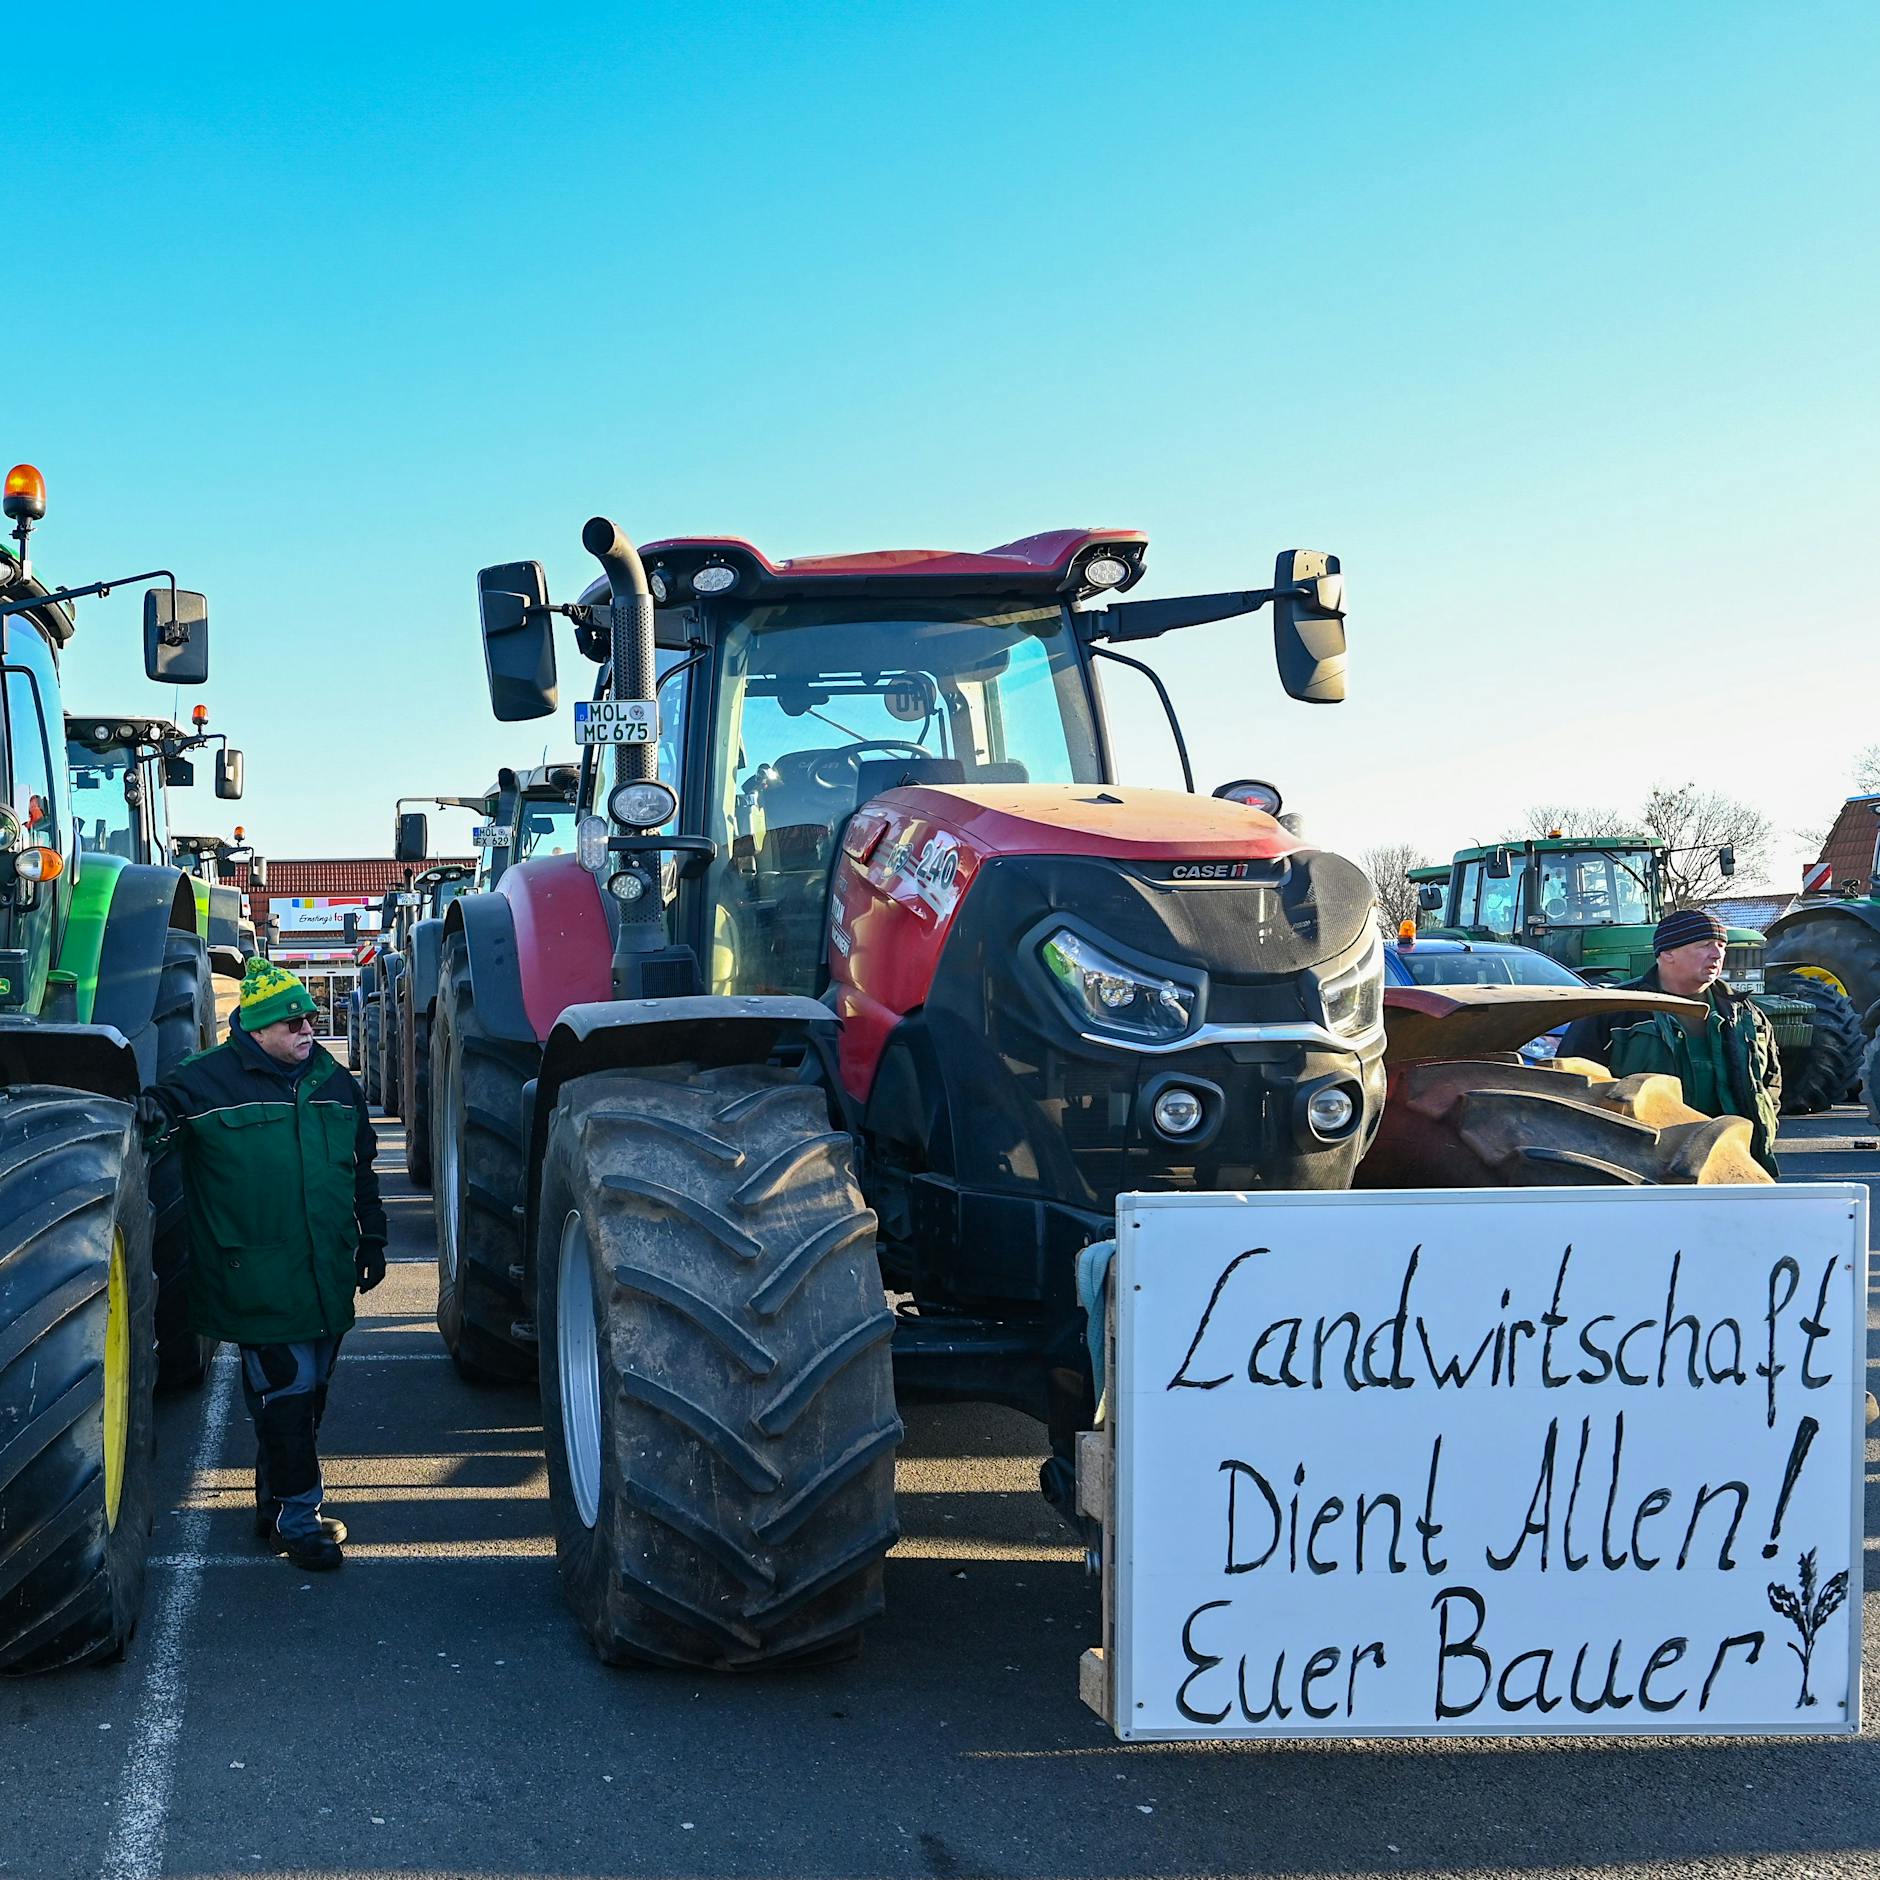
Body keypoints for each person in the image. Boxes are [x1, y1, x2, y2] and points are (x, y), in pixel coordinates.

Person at [143, 956, 386, 1570]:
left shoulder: (334, 1082)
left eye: (310, 1019)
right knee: (288, 1395)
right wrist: (145, 1115)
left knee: (311, 1397)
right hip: (256, 1280)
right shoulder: (203, 1082)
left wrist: (374, 1237)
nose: (309, 1030)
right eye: (294, 1024)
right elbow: (154, 1120)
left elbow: (361, 1171)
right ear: (255, 1031)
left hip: (326, 1278)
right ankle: (301, 1524)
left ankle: (275, 1501)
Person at [1557, 907, 1782, 1177]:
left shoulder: (1744, 1013)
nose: (1717, 954)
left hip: (1733, 1161)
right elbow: (1572, 1083)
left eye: (1721, 945)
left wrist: (1765, 1127)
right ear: (1667, 953)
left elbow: (1771, 1082)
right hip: (1638, 1166)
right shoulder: (1615, 1009)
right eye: (1704, 945)